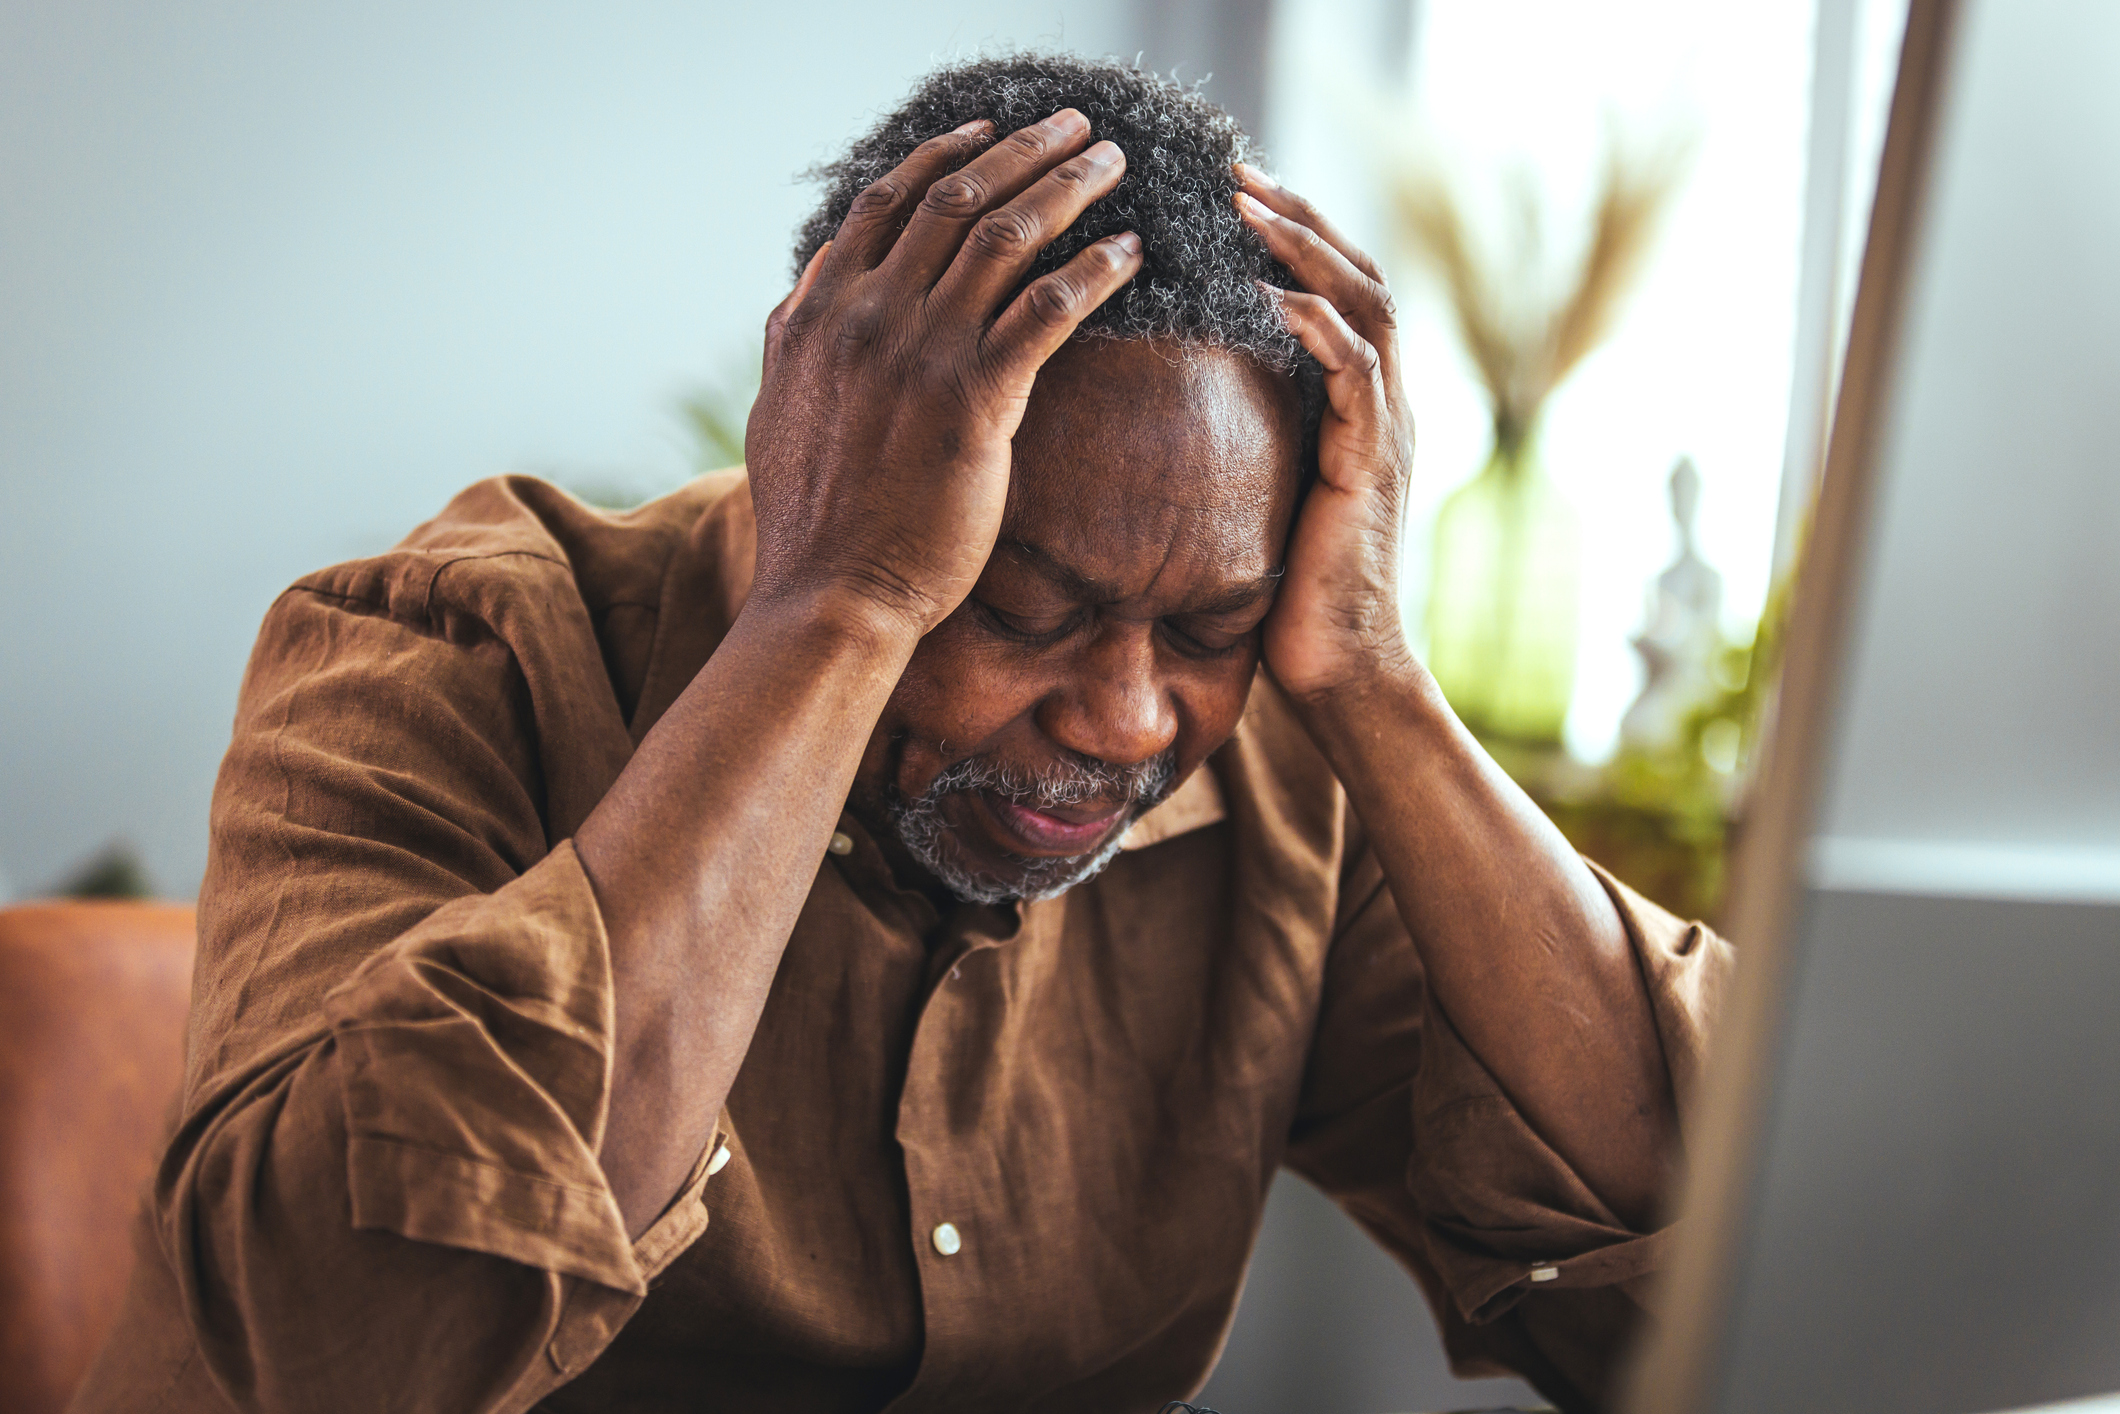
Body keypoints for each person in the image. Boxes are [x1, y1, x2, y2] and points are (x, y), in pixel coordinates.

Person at [74, 53, 1730, 1414]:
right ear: (821, 445)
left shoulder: (1289, 773)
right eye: (1017, 607)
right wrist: (843, 608)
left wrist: (1374, 679)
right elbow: (335, 1345)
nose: (1126, 714)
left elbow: (1709, 1253)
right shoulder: (435, 657)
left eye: (1208, 630)